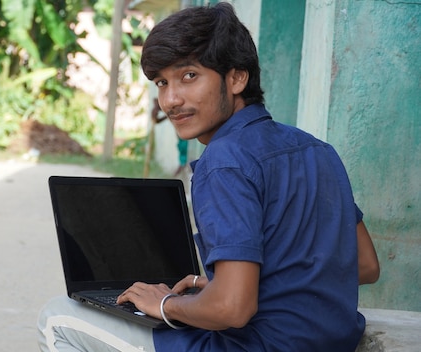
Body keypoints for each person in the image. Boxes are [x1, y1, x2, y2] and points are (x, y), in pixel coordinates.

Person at [38, 3, 380, 351]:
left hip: (254, 346)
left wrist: (165, 304)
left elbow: (232, 309)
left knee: (57, 317)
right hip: (330, 343)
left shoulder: (224, 161)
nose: (170, 100)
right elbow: (365, 265)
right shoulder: (317, 150)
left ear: (236, 78)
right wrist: (223, 286)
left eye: (189, 76)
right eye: (161, 82)